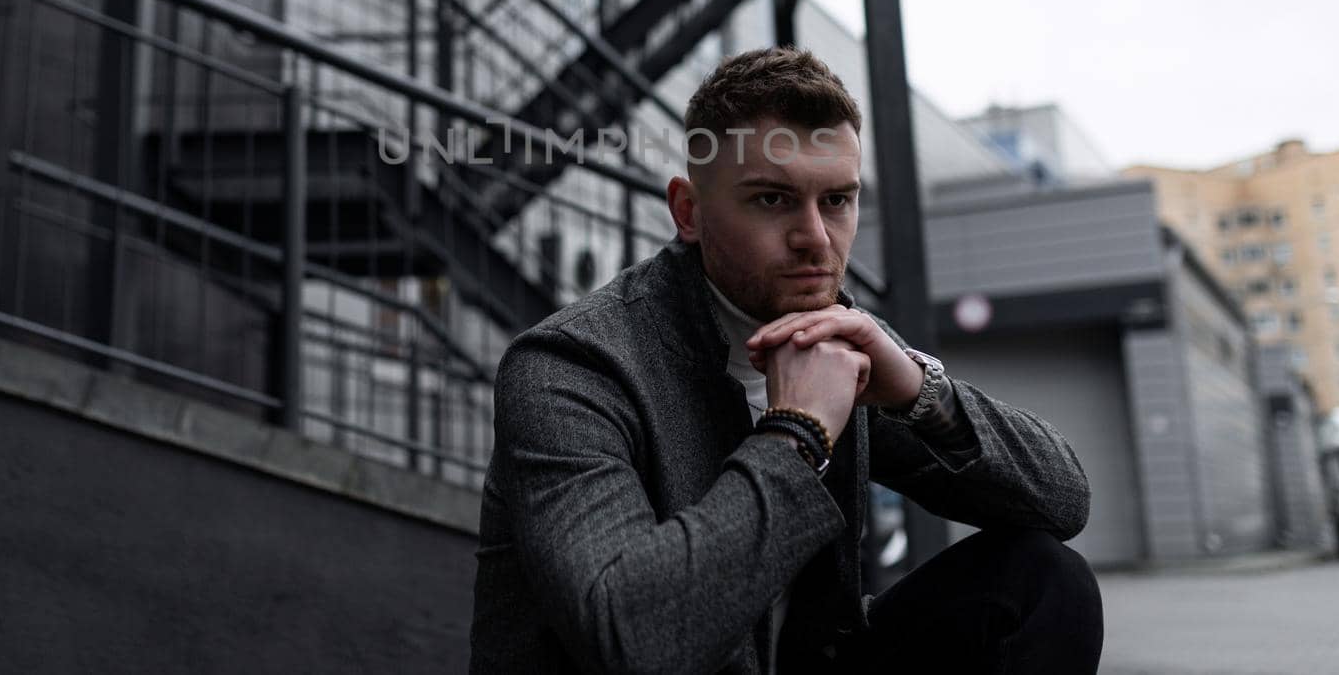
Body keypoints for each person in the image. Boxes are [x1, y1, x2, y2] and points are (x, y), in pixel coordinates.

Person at [469, 48, 1102, 674]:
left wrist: (916, 390)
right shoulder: (570, 368)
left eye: (837, 201)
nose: (816, 238)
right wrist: (797, 433)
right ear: (689, 212)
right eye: (773, 200)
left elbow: (1061, 502)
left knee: (1044, 581)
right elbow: (634, 640)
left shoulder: (839, 342)